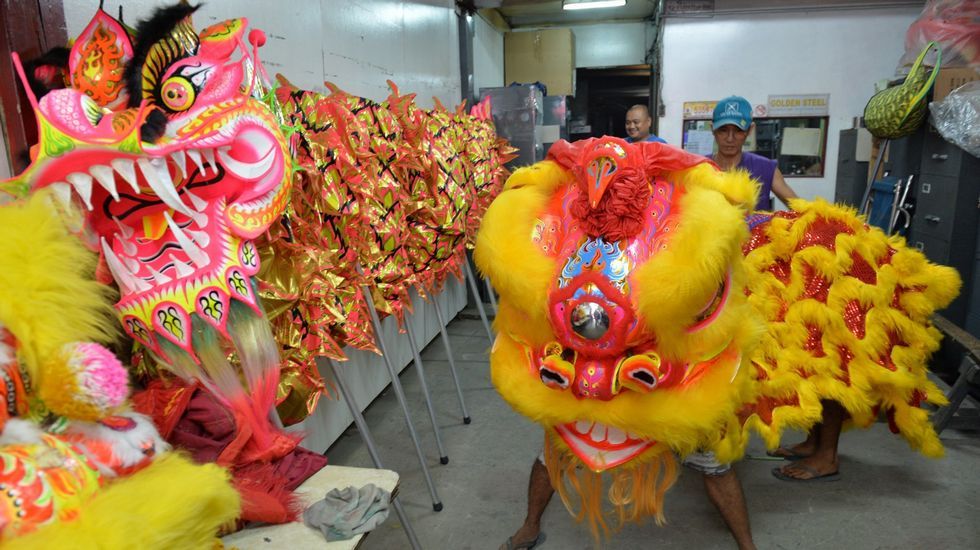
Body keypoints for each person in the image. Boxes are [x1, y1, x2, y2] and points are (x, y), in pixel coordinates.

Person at [501, 450, 756, 550]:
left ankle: (746, 545)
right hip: (600, 375)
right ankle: (530, 526)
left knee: (714, 464)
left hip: (671, 378)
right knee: (554, 452)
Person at [709, 96, 798, 210]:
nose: (730, 138)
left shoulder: (765, 168)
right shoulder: (698, 168)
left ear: (750, 130)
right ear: (712, 129)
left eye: (739, 130)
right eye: (723, 130)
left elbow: (801, 210)